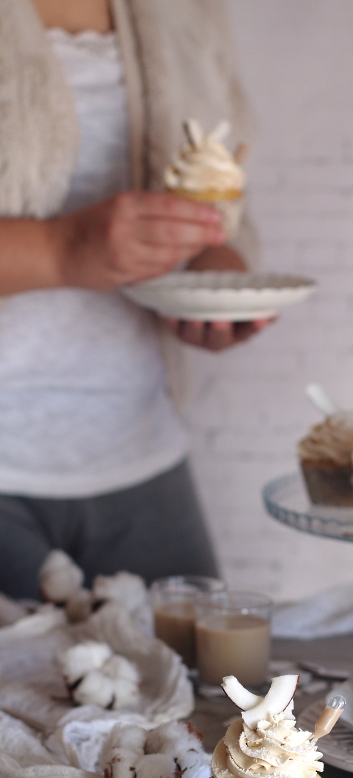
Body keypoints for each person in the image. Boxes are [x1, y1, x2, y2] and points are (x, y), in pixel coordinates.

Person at [0, 0, 268, 598]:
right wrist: (58, 250)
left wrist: (215, 279)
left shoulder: (187, 12)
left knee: (207, 687)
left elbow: (228, 203)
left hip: (141, 450)